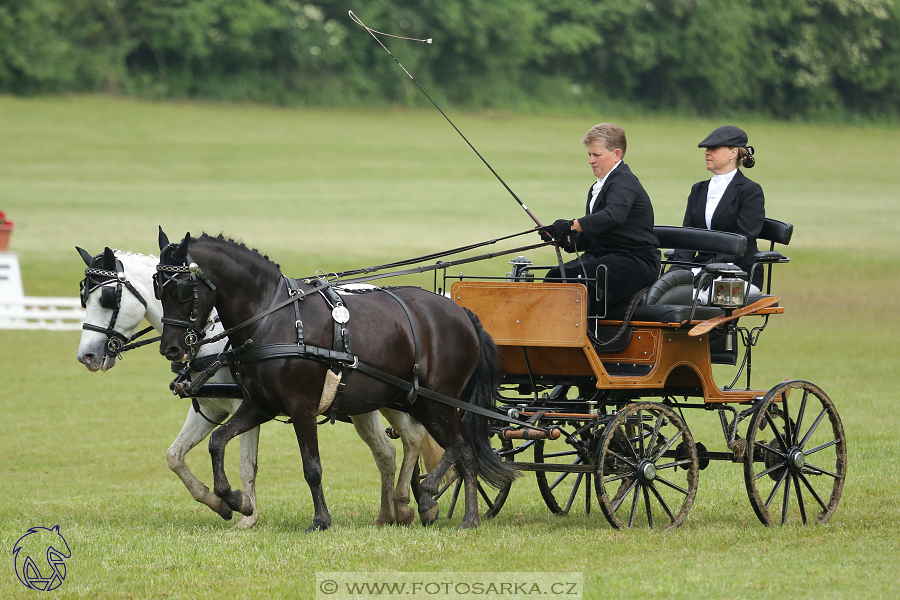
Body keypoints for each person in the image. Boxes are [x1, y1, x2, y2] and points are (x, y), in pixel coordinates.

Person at [541, 123, 660, 315]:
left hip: (635, 260)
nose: (591, 160)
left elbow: (613, 216)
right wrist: (565, 238)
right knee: (556, 275)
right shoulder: (598, 187)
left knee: (576, 277)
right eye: (589, 155)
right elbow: (596, 233)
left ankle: (580, 339)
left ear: (617, 154)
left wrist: (572, 225)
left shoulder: (624, 181)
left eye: (596, 155)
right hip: (605, 255)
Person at [670, 125, 765, 296]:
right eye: (707, 149)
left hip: (738, 272)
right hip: (701, 269)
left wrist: (715, 270)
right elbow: (687, 237)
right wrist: (678, 268)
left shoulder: (750, 190)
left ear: (733, 153)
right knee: (661, 291)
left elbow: (743, 239)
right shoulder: (698, 190)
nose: (707, 152)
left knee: (689, 297)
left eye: (714, 148)